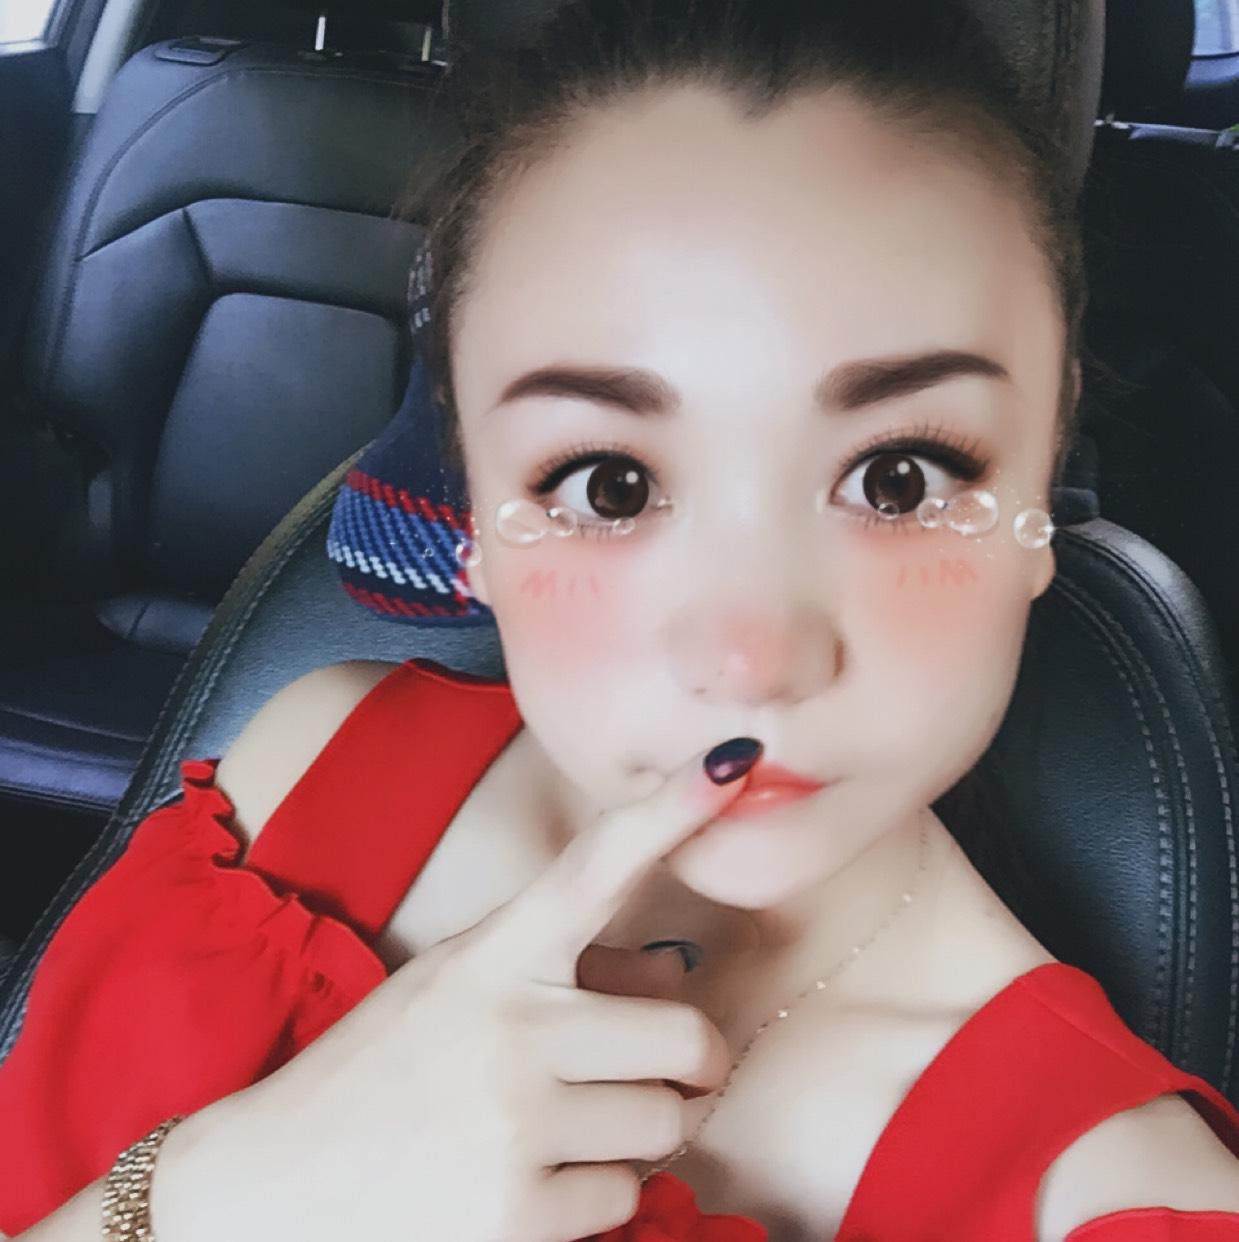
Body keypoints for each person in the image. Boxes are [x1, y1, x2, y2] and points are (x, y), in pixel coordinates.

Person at [2, 0, 1238, 1238]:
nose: (751, 660)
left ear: (1039, 482)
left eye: (899, 480)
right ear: (476, 509)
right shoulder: (299, 772)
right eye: (610, 486)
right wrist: (230, 1193)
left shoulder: (1130, 1204)